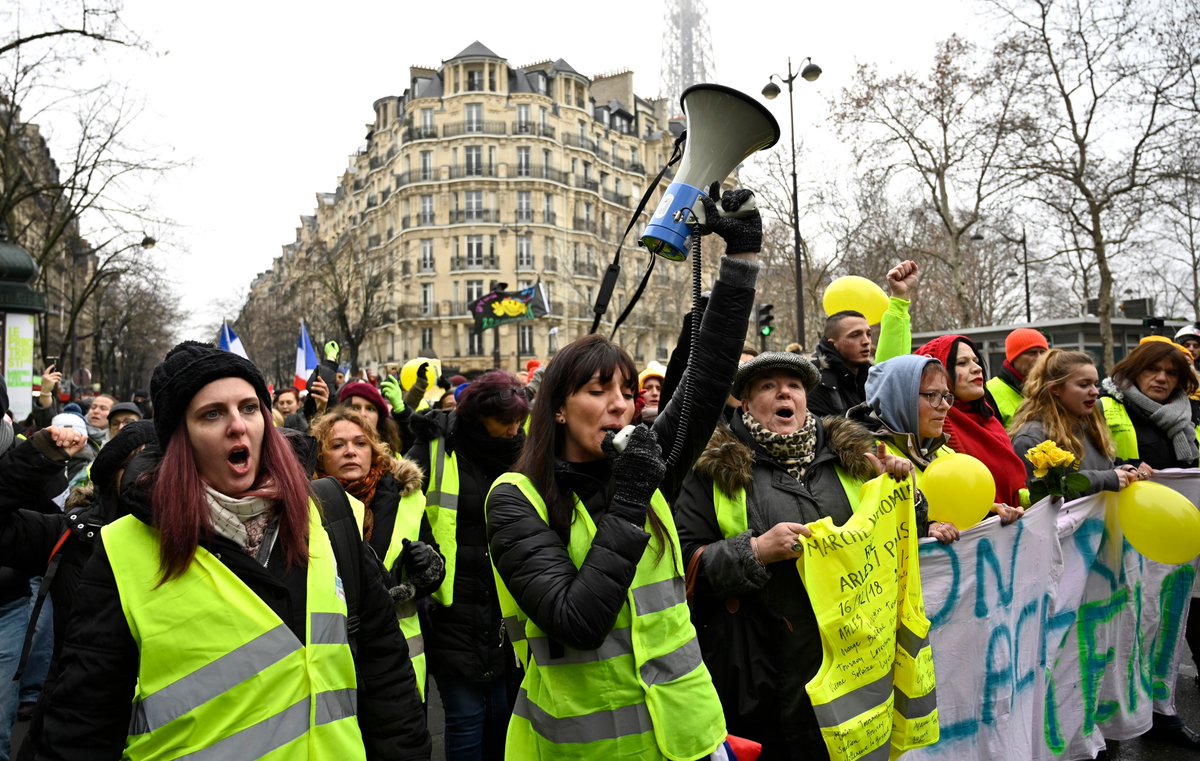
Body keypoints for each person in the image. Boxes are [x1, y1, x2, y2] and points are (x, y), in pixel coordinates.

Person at [36, 341, 431, 760]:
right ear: (180, 439)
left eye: (249, 407)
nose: (237, 426)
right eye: (211, 413)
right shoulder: (122, 551)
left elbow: (387, 677)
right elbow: (80, 728)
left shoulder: (331, 514)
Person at [486, 188, 760, 759]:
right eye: (597, 390)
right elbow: (576, 619)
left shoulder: (643, 462)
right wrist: (632, 497)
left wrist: (740, 264)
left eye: (628, 392)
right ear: (558, 408)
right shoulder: (514, 501)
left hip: (689, 738)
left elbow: (706, 384)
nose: (620, 405)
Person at [674, 352, 915, 758]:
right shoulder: (710, 467)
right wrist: (754, 552)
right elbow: (683, 563)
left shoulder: (854, 459)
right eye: (768, 386)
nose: (784, 392)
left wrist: (901, 488)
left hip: (850, 664)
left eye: (795, 385)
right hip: (757, 672)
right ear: (746, 404)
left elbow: (900, 537)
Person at [406, 370, 529, 761]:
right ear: (478, 417)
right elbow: (404, 507)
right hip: (451, 603)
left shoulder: (524, 450)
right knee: (464, 717)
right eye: (505, 422)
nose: (514, 430)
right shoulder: (436, 446)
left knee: (503, 714)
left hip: (510, 601)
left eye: (519, 422)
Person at [310, 408, 444, 701]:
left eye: (360, 444)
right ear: (319, 455)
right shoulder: (306, 506)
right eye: (337, 445)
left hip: (399, 666)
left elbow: (435, 576)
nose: (350, 452)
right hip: (334, 666)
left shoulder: (404, 497)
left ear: (373, 450)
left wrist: (427, 563)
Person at [848, 354, 963, 542]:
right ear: (900, 398)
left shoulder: (946, 453)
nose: (944, 406)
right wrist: (924, 529)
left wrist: (989, 513)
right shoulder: (867, 456)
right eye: (932, 395)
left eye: (945, 396)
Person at [911, 335, 1027, 518]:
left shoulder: (990, 421)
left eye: (976, 360)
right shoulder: (935, 429)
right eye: (962, 363)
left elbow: (1013, 486)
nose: (977, 368)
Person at [1009, 350, 1135, 495]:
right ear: (1055, 389)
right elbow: (1041, 499)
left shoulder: (1090, 427)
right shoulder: (1032, 437)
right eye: (1084, 385)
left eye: (1095, 384)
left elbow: (1100, 470)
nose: (1094, 392)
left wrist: (1120, 471)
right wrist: (1104, 479)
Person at [807, 261, 917, 418]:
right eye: (855, 335)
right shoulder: (813, 380)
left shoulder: (871, 378)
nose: (866, 341)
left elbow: (893, 368)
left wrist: (900, 297)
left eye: (868, 334)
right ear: (833, 344)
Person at [986, 328, 1050, 426]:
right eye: (1032, 353)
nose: (1040, 358)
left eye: (1043, 352)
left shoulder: (1053, 387)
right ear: (1014, 358)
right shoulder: (989, 391)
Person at [337, 380, 404, 456]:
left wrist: (402, 411)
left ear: (379, 418)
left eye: (370, 409)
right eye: (356, 408)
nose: (363, 414)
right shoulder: (330, 451)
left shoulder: (394, 460)